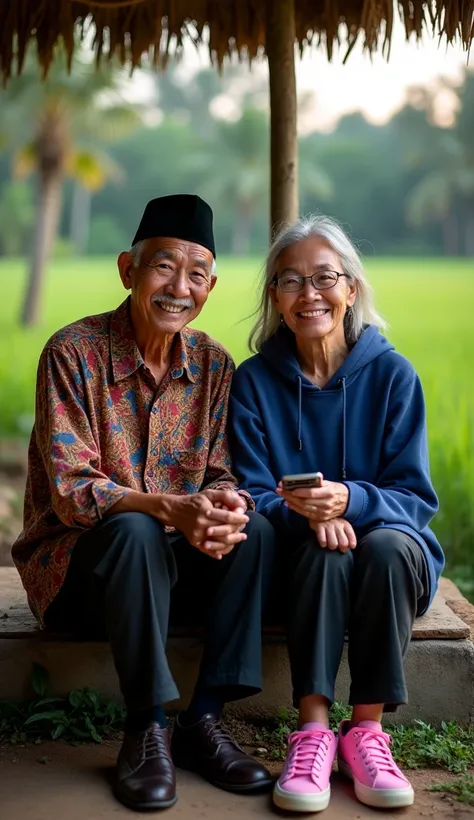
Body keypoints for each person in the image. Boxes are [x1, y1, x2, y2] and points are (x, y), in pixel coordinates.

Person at [12, 194, 275, 811]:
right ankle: (147, 724)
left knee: (252, 531)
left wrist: (220, 507)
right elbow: (75, 492)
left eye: (197, 274)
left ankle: (203, 721)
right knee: (132, 532)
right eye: (163, 267)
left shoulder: (213, 364)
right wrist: (165, 508)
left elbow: (220, 471)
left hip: (171, 569)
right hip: (81, 576)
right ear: (128, 269)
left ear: (211, 286)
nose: (179, 287)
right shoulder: (72, 353)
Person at [230, 215, 443, 813]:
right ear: (274, 296)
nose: (309, 294)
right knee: (325, 551)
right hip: (303, 561)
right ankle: (314, 733)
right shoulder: (254, 383)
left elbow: (414, 498)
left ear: (351, 288)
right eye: (290, 281)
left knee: (382, 546)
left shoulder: (394, 376)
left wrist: (351, 500)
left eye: (325, 277)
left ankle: (367, 733)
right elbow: (250, 492)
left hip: (390, 559)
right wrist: (310, 513)